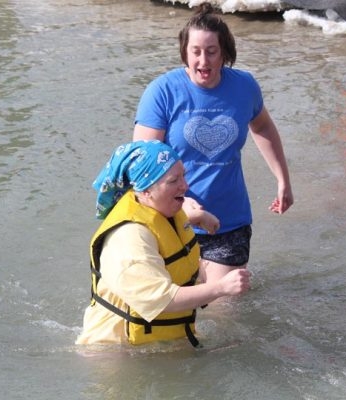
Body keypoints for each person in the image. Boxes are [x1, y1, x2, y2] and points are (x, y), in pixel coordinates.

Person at [133, 2, 294, 286]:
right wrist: (185, 206)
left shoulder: (244, 86)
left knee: (224, 314)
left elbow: (263, 126)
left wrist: (283, 180)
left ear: (224, 54)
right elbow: (142, 164)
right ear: (185, 51)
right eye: (196, 51)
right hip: (170, 220)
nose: (203, 61)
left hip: (228, 221)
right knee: (176, 314)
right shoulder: (162, 92)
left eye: (211, 51)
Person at [75, 140, 250, 347]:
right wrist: (220, 287)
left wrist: (198, 215)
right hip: (118, 350)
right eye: (174, 180)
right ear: (145, 190)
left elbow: (161, 230)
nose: (185, 185)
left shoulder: (156, 208)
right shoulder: (129, 239)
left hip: (159, 340)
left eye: (183, 175)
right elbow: (162, 299)